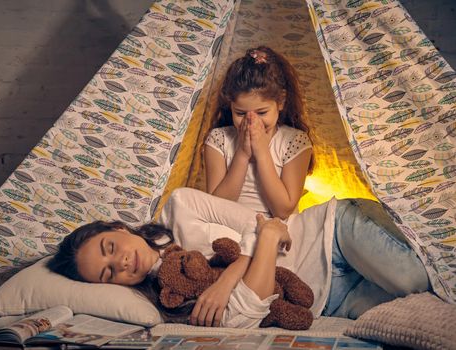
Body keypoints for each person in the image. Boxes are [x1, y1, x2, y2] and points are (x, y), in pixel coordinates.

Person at [48, 188, 431, 329]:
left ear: (119, 229)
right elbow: (250, 306)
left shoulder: (181, 206)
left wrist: (229, 279)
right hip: (328, 297)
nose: (121, 264)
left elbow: (267, 226)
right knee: (426, 309)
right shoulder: (171, 298)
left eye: (110, 249)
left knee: (415, 280)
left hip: (331, 233)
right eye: (108, 273)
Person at [204, 46, 314, 220]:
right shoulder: (219, 139)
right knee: (181, 199)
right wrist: (242, 153)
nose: (251, 121)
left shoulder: (295, 141)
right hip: (226, 226)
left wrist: (262, 152)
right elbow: (215, 209)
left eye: (262, 113)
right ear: (230, 106)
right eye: (240, 113)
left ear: (281, 102)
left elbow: (283, 210)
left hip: (275, 230)